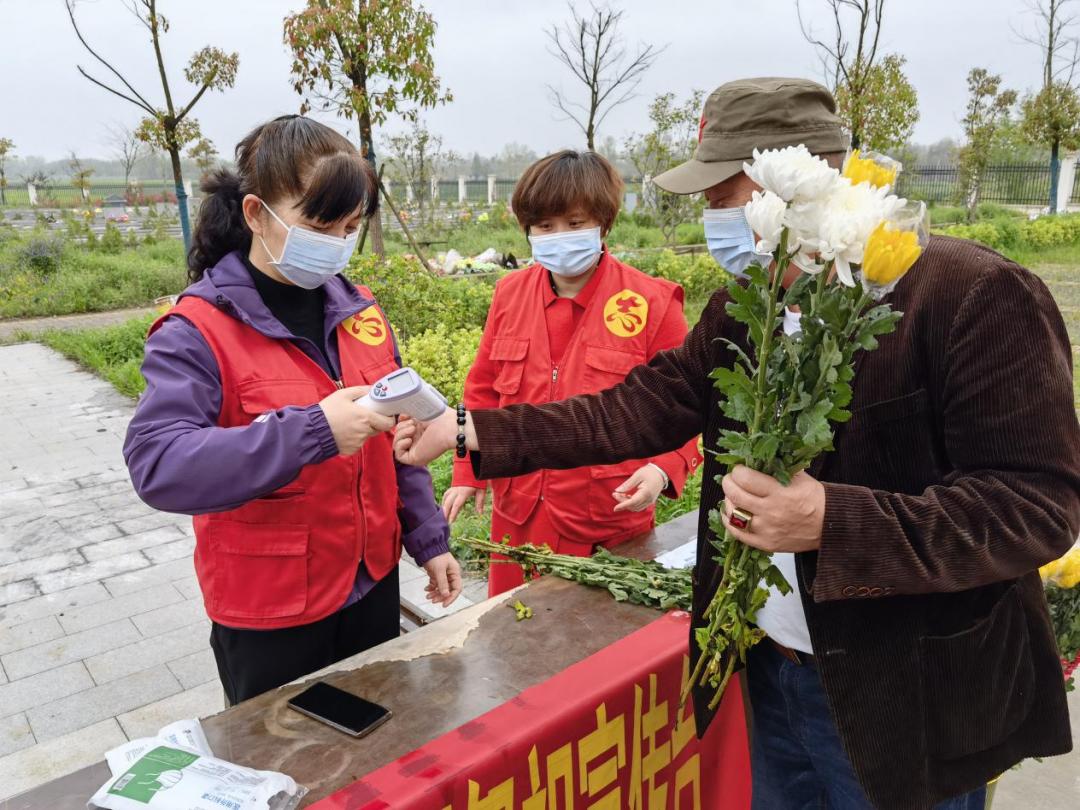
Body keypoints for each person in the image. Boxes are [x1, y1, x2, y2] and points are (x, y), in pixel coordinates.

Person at [393, 79, 1080, 810]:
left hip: (902, 696)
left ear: (804, 183)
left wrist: (833, 521)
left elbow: (1036, 505)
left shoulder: (970, 294)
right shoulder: (749, 303)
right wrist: (469, 430)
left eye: (726, 197)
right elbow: (637, 409)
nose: (717, 219)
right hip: (767, 668)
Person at [124, 115, 461, 705]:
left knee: (378, 749)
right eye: (319, 223)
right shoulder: (197, 330)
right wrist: (313, 431)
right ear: (256, 214)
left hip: (370, 585)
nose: (336, 241)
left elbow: (399, 437)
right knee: (286, 770)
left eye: (351, 226)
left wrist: (428, 538)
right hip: (271, 608)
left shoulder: (361, 313)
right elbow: (158, 463)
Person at [443, 150, 701, 596]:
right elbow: (482, 389)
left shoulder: (652, 304)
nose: (560, 236)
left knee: (599, 651)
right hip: (518, 517)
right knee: (512, 639)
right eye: (545, 226)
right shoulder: (509, 294)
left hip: (606, 521)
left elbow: (690, 407)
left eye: (576, 222)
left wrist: (662, 470)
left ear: (603, 222)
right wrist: (467, 470)